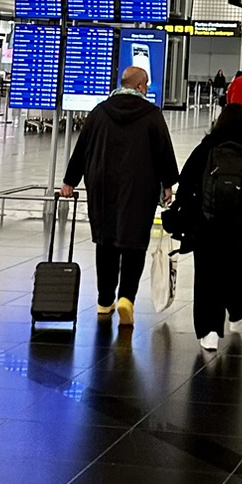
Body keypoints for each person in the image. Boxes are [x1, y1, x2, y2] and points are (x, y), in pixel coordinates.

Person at [60, 67, 178, 327]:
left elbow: (82, 149)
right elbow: (164, 152)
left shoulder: (100, 112)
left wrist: (70, 181)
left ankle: (104, 302)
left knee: (106, 242)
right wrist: (168, 184)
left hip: (103, 188)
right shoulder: (151, 115)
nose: (147, 88)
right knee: (134, 244)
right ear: (138, 87)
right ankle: (126, 299)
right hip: (139, 189)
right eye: (146, 83)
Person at [175, 104, 242, 351]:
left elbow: (187, 181)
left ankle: (208, 331)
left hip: (206, 223)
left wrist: (182, 210)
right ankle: (237, 306)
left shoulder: (207, 147)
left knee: (206, 276)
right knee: (233, 269)